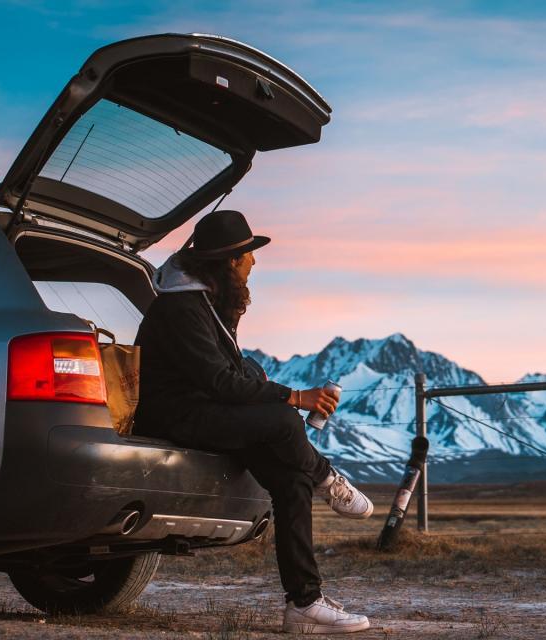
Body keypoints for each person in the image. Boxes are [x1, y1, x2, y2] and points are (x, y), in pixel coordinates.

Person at [133, 209, 374, 635]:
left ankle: (304, 604)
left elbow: (230, 373)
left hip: (205, 411)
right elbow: (219, 382)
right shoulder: (182, 307)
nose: (253, 262)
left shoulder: (208, 302)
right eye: (248, 254)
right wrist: (294, 397)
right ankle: (327, 478)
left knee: (291, 480)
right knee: (284, 420)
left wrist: (266, 383)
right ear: (229, 261)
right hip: (175, 417)